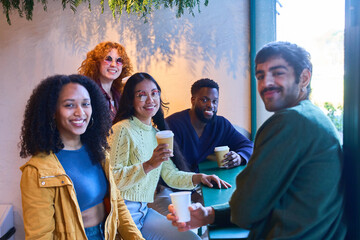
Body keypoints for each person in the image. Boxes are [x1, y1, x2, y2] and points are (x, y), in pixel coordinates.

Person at [167, 42, 346, 239]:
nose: (266, 83)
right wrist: (211, 213)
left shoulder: (287, 122)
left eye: (277, 73)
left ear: (303, 78)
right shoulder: (312, 116)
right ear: (193, 100)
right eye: (260, 76)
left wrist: (240, 158)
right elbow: (265, 200)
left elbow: (246, 210)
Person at [108, 72, 231, 240]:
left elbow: (170, 175)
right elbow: (113, 179)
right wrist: (149, 165)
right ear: (130, 99)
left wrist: (200, 178)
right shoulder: (122, 129)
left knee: (192, 238)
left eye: (154, 93)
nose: (150, 100)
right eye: (141, 95)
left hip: (143, 212)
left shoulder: (156, 133)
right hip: (122, 214)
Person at [19, 74, 144, 240]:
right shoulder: (38, 171)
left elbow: (118, 206)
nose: (80, 112)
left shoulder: (99, 153)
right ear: (52, 112)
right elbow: (40, 236)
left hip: (107, 233)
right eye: (69, 105)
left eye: (86, 104)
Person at [166, 78, 253, 172]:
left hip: (204, 180)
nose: (210, 105)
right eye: (204, 100)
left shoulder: (221, 125)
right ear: (193, 100)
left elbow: (249, 146)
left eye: (214, 101)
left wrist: (239, 157)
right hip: (174, 182)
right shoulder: (172, 124)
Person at [78, 41, 133, 122]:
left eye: (119, 60)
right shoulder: (87, 92)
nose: (114, 65)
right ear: (96, 63)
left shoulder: (119, 94)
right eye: (108, 59)